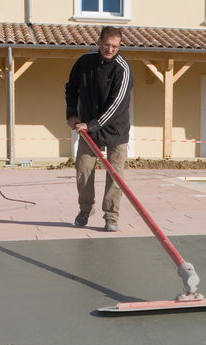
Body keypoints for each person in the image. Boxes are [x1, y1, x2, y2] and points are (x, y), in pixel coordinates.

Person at [65, 26, 133, 232]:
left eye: (114, 46)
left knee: (115, 175)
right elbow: (71, 87)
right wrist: (71, 114)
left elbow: (116, 105)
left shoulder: (122, 68)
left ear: (119, 45)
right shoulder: (84, 62)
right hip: (88, 130)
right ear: (98, 42)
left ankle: (111, 216)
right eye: (106, 44)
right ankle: (85, 209)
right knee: (83, 170)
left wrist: (91, 124)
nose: (110, 49)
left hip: (115, 130)